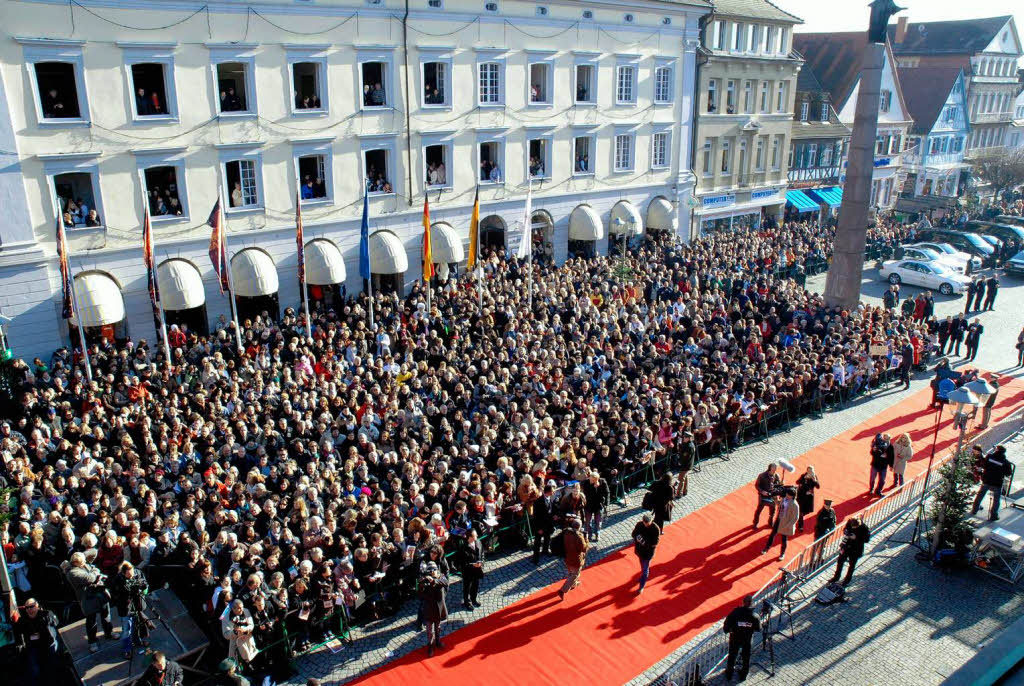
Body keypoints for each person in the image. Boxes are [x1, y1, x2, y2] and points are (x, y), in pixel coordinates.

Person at [65, 551, 114, 653]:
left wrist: (94, 572)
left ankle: (109, 633)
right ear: (75, 562)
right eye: (81, 562)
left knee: (106, 615)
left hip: (100, 594)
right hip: (88, 598)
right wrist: (96, 574)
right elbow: (90, 578)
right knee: (91, 621)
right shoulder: (72, 572)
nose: (84, 563)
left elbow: (95, 565)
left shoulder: (84, 564)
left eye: (84, 561)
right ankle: (92, 641)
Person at [109, 561, 149, 658]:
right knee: (126, 629)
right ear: (123, 572)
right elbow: (114, 595)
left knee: (139, 624)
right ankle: (127, 649)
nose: (131, 577)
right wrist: (125, 593)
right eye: (129, 576)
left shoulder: (138, 573)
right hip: (125, 608)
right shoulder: (117, 580)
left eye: (132, 574)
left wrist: (142, 590)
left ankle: (138, 640)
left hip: (138, 605)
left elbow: (145, 585)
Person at [13, 598, 60, 681]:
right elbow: (17, 632)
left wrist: (50, 619)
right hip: (34, 647)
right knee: (34, 669)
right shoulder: (23, 620)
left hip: (49, 643)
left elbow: (56, 623)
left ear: (37, 606)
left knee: (53, 663)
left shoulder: (46, 614)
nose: (29, 609)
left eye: (31, 606)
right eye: (27, 607)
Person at [723, 595, 761, 682]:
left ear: (743, 602)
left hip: (735, 638)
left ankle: (729, 673)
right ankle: (743, 674)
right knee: (746, 657)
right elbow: (758, 628)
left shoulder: (736, 612)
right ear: (751, 604)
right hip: (747, 640)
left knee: (732, 656)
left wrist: (727, 630)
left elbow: (727, 623)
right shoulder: (755, 616)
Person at [971, 445, 1013, 521]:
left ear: (996, 450)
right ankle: (993, 516)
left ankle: (974, 510)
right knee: (996, 500)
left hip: (986, 480)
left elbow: (984, 465)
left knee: (980, 495)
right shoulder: (1005, 462)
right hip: (997, 483)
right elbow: (1009, 473)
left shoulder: (989, 457)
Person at [418, 561, 449, 656]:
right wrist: (423, 584)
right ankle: (430, 645)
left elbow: (445, 582)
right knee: (429, 630)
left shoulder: (441, 577)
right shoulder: (425, 579)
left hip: (439, 608)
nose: (433, 572)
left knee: (438, 627)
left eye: (434, 570)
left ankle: (438, 641)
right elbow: (420, 594)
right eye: (431, 570)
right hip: (428, 609)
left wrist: (434, 580)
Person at [830, 517, 871, 586]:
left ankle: (846, 581)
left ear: (859, 525)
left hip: (856, 549)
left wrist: (856, 538)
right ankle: (836, 577)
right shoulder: (850, 522)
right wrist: (846, 532)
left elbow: (866, 540)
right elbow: (845, 529)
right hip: (846, 547)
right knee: (840, 561)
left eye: (855, 527)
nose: (853, 528)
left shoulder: (864, 529)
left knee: (851, 566)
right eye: (852, 527)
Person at [761, 488, 798, 561]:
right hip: (779, 520)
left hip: (786, 523)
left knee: (784, 539)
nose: (787, 495)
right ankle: (767, 548)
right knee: (772, 534)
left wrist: (788, 525)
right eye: (787, 494)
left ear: (792, 496)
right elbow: (779, 504)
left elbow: (795, 517)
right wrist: (776, 499)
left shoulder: (794, 505)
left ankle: (782, 553)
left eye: (788, 495)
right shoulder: (784, 499)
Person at [557, 517, 589, 601]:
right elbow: (584, 548)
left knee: (571, 572)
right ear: (579, 527)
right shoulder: (579, 537)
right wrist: (586, 538)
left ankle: (574, 584)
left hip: (567, 557)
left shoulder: (566, 533)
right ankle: (563, 590)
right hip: (576, 559)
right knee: (575, 574)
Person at [631, 512, 661, 595]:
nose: (646, 525)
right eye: (645, 523)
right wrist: (637, 538)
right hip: (640, 551)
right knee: (642, 566)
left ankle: (641, 586)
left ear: (651, 521)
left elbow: (655, 542)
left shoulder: (655, 529)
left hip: (648, 553)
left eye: (647, 523)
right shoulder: (639, 525)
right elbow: (633, 534)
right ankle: (642, 578)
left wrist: (644, 542)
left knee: (645, 570)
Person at [222, 599, 257, 666]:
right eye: (239, 608)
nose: (242, 609)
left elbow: (251, 625)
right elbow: (226, 634)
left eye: (242, 607)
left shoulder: (246, 611)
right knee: (238, 665)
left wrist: (245, 629)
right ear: (233, 609)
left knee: (253, 659)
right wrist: (235, 632)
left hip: (248, 640)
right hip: (236, 644)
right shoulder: (225, 618)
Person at [531, 482, 556, 564]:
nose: (554, 492)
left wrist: (555, 516)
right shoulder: (538, 501)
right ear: (547, 492)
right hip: (540, 525)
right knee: (537, 542)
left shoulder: (551, 499)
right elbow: (536, 516)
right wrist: (538, 528)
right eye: (552, 491)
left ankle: (545, 550)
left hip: (548, 525)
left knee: (547, 538)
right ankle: (535, 557)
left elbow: (552, 510)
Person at [582, 469, 609, 542]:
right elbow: (587, 494)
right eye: (590, 479)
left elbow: (606, 493)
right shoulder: (586, 482)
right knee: (588, 521)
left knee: (598, 520)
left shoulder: (602, 482)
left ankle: (597, 533)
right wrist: (593, 487)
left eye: (593, 480)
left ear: (597, 479)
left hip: (598, 504)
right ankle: (589, 534)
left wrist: (606, 503)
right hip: (589, 504)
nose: (591, 481)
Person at [460, 528, 484, 609]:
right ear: (469, 537)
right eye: (474, 535)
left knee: (475, 585)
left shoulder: (478, 542)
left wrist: (481, 562)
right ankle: (467, 602)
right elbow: (462, 563)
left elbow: (482, 553)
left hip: (477, 570)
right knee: (467, 587)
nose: (476, 536)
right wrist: (472, 565)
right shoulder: (463, 547)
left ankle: (474, 599)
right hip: (468, 572)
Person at [753, 462, 781, 529]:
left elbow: (777, 486)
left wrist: (780, 484)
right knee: (759, 510)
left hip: (772, 495)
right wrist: (762, 491)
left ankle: (770, 521)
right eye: (774, 467)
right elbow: (757, 485)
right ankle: (755, 523)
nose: (775, 469)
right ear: (770, 467)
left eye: (776, 467)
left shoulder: (776, 476)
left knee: (772, 510)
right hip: (763, 496)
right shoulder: (762, 475)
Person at [812, 499, 837, 567]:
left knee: (823, 546)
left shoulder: (832, 511)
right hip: (820, 533)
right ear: (824, 505)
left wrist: (833, 527)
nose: (829, 506)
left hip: (826, 533)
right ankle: (812, 562)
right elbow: (820, 524)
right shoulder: (821, 513)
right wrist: (826, 529)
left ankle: (819, 558)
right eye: (827, 505)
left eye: (829, 505)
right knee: (815, 548)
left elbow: (834, 519)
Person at [795, 466, 819, 533]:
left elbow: (818, 486)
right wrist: (804, 479)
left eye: (811, 471)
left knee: (806, 511)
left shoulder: (814, 477)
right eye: (809, 471)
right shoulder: (803, 476)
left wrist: (815, 480)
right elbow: (797, 482)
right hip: (801, 496)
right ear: (807, 471)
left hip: (808, 498)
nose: (810, 472)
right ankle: (800, 526)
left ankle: (798, 518)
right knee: (801, 512)